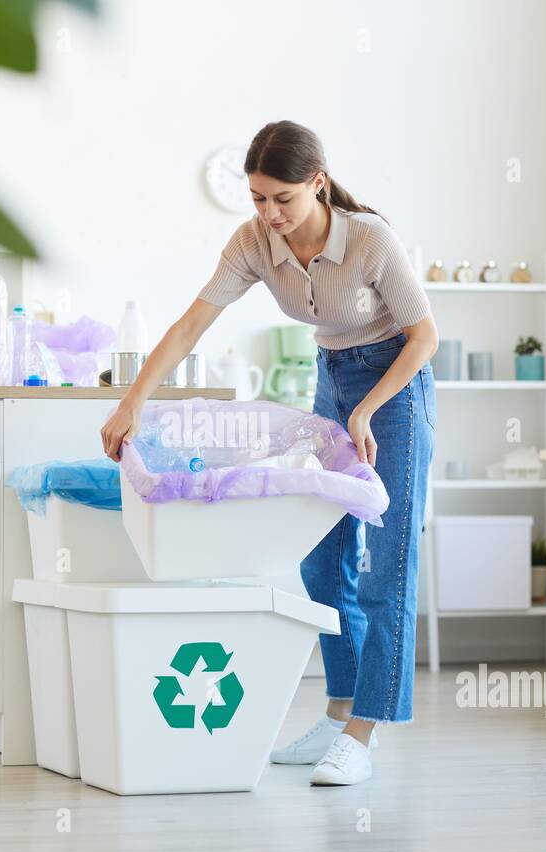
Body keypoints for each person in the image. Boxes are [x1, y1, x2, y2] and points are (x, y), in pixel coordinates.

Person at [101, 120, 437, 786]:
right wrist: (132, 402)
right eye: (257, 198)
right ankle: (339, 712)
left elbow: (425, 336)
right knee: (321, 555)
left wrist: (370, 407)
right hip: (332, 379)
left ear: (317, 183)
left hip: (395, 389)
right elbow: (193, 322)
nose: (269, 213)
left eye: (282, 198)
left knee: (387, 563)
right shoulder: (254, 241)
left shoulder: (370, 240)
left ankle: (365, 732)